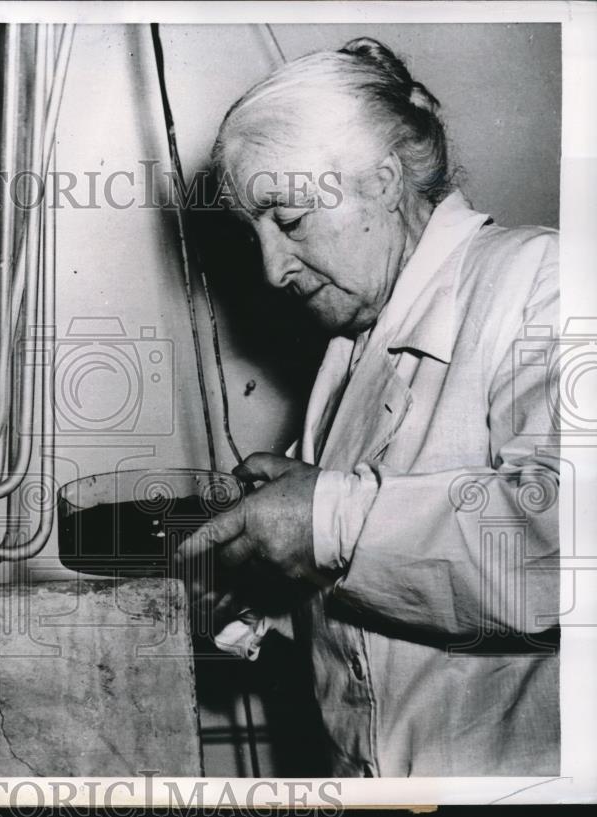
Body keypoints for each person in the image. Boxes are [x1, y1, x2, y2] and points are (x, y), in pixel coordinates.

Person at [177, 38, 560, 777]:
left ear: (384, 180)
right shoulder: (352, 355)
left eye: (287, 221)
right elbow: (386, 590)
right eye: (253, 234)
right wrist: (264, 579)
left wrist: (326, 520)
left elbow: (565, 543)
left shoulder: (541, 280)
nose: (271, 270)